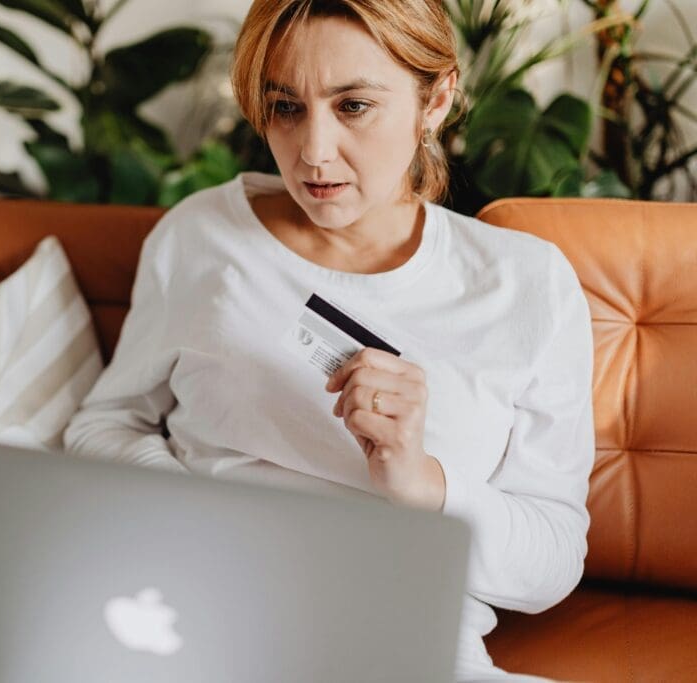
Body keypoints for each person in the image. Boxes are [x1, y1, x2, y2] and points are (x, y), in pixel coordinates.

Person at [63, 1, 595, 681]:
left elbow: (551, 562)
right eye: (286, 107)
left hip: (395, 644)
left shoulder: (528, 286)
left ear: (436, 99)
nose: (312, 152)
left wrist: (422, 481)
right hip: (193, 607)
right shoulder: (202, 235)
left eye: (353, 106)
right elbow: (103, 424)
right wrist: (196, 512)